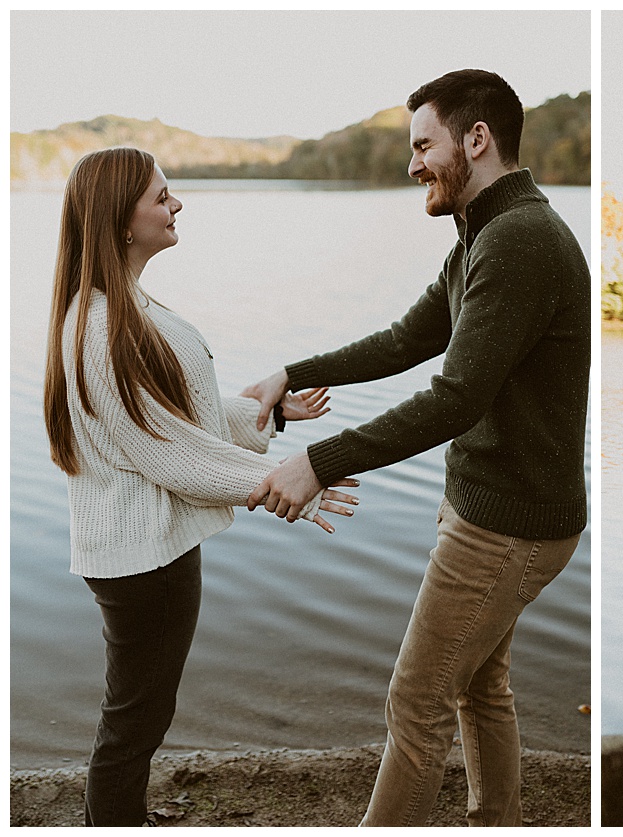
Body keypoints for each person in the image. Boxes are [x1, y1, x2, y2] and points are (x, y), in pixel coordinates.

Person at [239, 69, 590, 827]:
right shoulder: (486, 234)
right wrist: (293, 373)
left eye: (422, 144)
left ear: (477, 138)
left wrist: (318, 461)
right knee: (478, 686)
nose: (412, 165)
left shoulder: (522, 240)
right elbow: (407, 339)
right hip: (488, 505)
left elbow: (454, 399)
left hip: (508, 525)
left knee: (416, 698)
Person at [42, 146, 358, 827]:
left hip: (142, 550)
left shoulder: (115, 306)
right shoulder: (100, 327)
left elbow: (176, 414)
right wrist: (287, 482)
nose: (176, 204)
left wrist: (266, 412)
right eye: (162, 196)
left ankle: (122, 815)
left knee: (140, 711)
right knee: (134, 719)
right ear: (121, 220)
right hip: (143, 558)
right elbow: (171, 453)